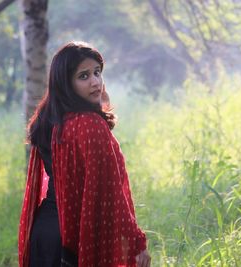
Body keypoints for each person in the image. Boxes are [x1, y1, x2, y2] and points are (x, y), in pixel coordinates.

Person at [18, 41, 151, 267]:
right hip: (73, 237)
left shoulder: (47, 120)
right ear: (66, 84)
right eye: (84, 76)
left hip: (43, 233)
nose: (95, 82)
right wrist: (137, 242)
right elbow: (112, 193)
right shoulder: (88, 125)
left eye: (97, 73)